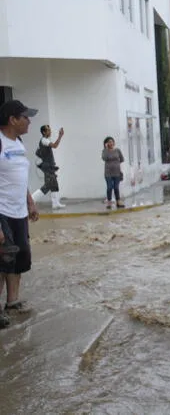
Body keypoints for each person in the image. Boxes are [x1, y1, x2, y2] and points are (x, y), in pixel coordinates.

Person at [0, 100, 40, 329]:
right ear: (12, 119)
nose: (29, 121)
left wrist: (30, 202)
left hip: (19, 212)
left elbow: (19, 177)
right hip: (2, 211)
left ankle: (12, 302)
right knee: (3, 260)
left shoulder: (19, 142)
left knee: (19, 257)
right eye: (25, 117)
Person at [32, 125, 65, 209]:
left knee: (54, 184)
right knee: (47, 185)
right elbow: (55, 146)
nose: (50, 132)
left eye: (49, 130)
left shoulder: (44, 140)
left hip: (49, 165)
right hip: (47, 166)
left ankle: (55, 203)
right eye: (48, 130)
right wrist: (60, 136)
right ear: (43, 132)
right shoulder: (44, 140)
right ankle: (31, 200)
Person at [101, 137, 125, 209]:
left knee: (116, 187)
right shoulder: (105, 151)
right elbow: (104, 158)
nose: (110, 143)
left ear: (114, 143)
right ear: (106, 144)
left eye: (112, 142)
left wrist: (116, 164)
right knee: (109, 187)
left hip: (117, 172)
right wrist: (106, 149)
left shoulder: (117, 150)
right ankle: (109, 202)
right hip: (108, 173)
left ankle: (118, 201)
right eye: (109, 142)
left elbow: (122, 159)